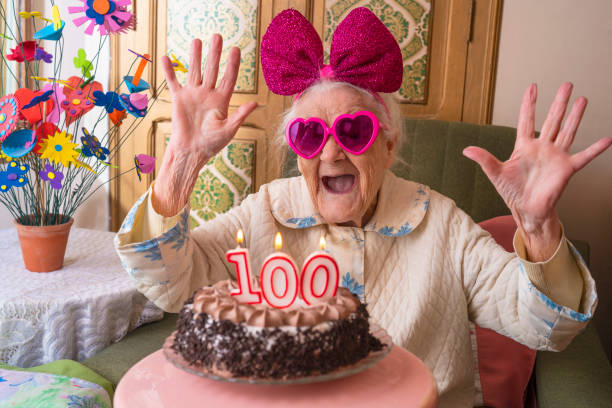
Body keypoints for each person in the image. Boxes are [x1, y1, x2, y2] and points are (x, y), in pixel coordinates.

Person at [115, 8, 612, 407]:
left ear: (388, 144)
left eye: (353, 131)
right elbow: (172, 285)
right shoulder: (266, 209)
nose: (330, 153)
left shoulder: (441, 223)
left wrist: (539, 226)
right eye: (310, 135)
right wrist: (179, 167)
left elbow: (546, 325)